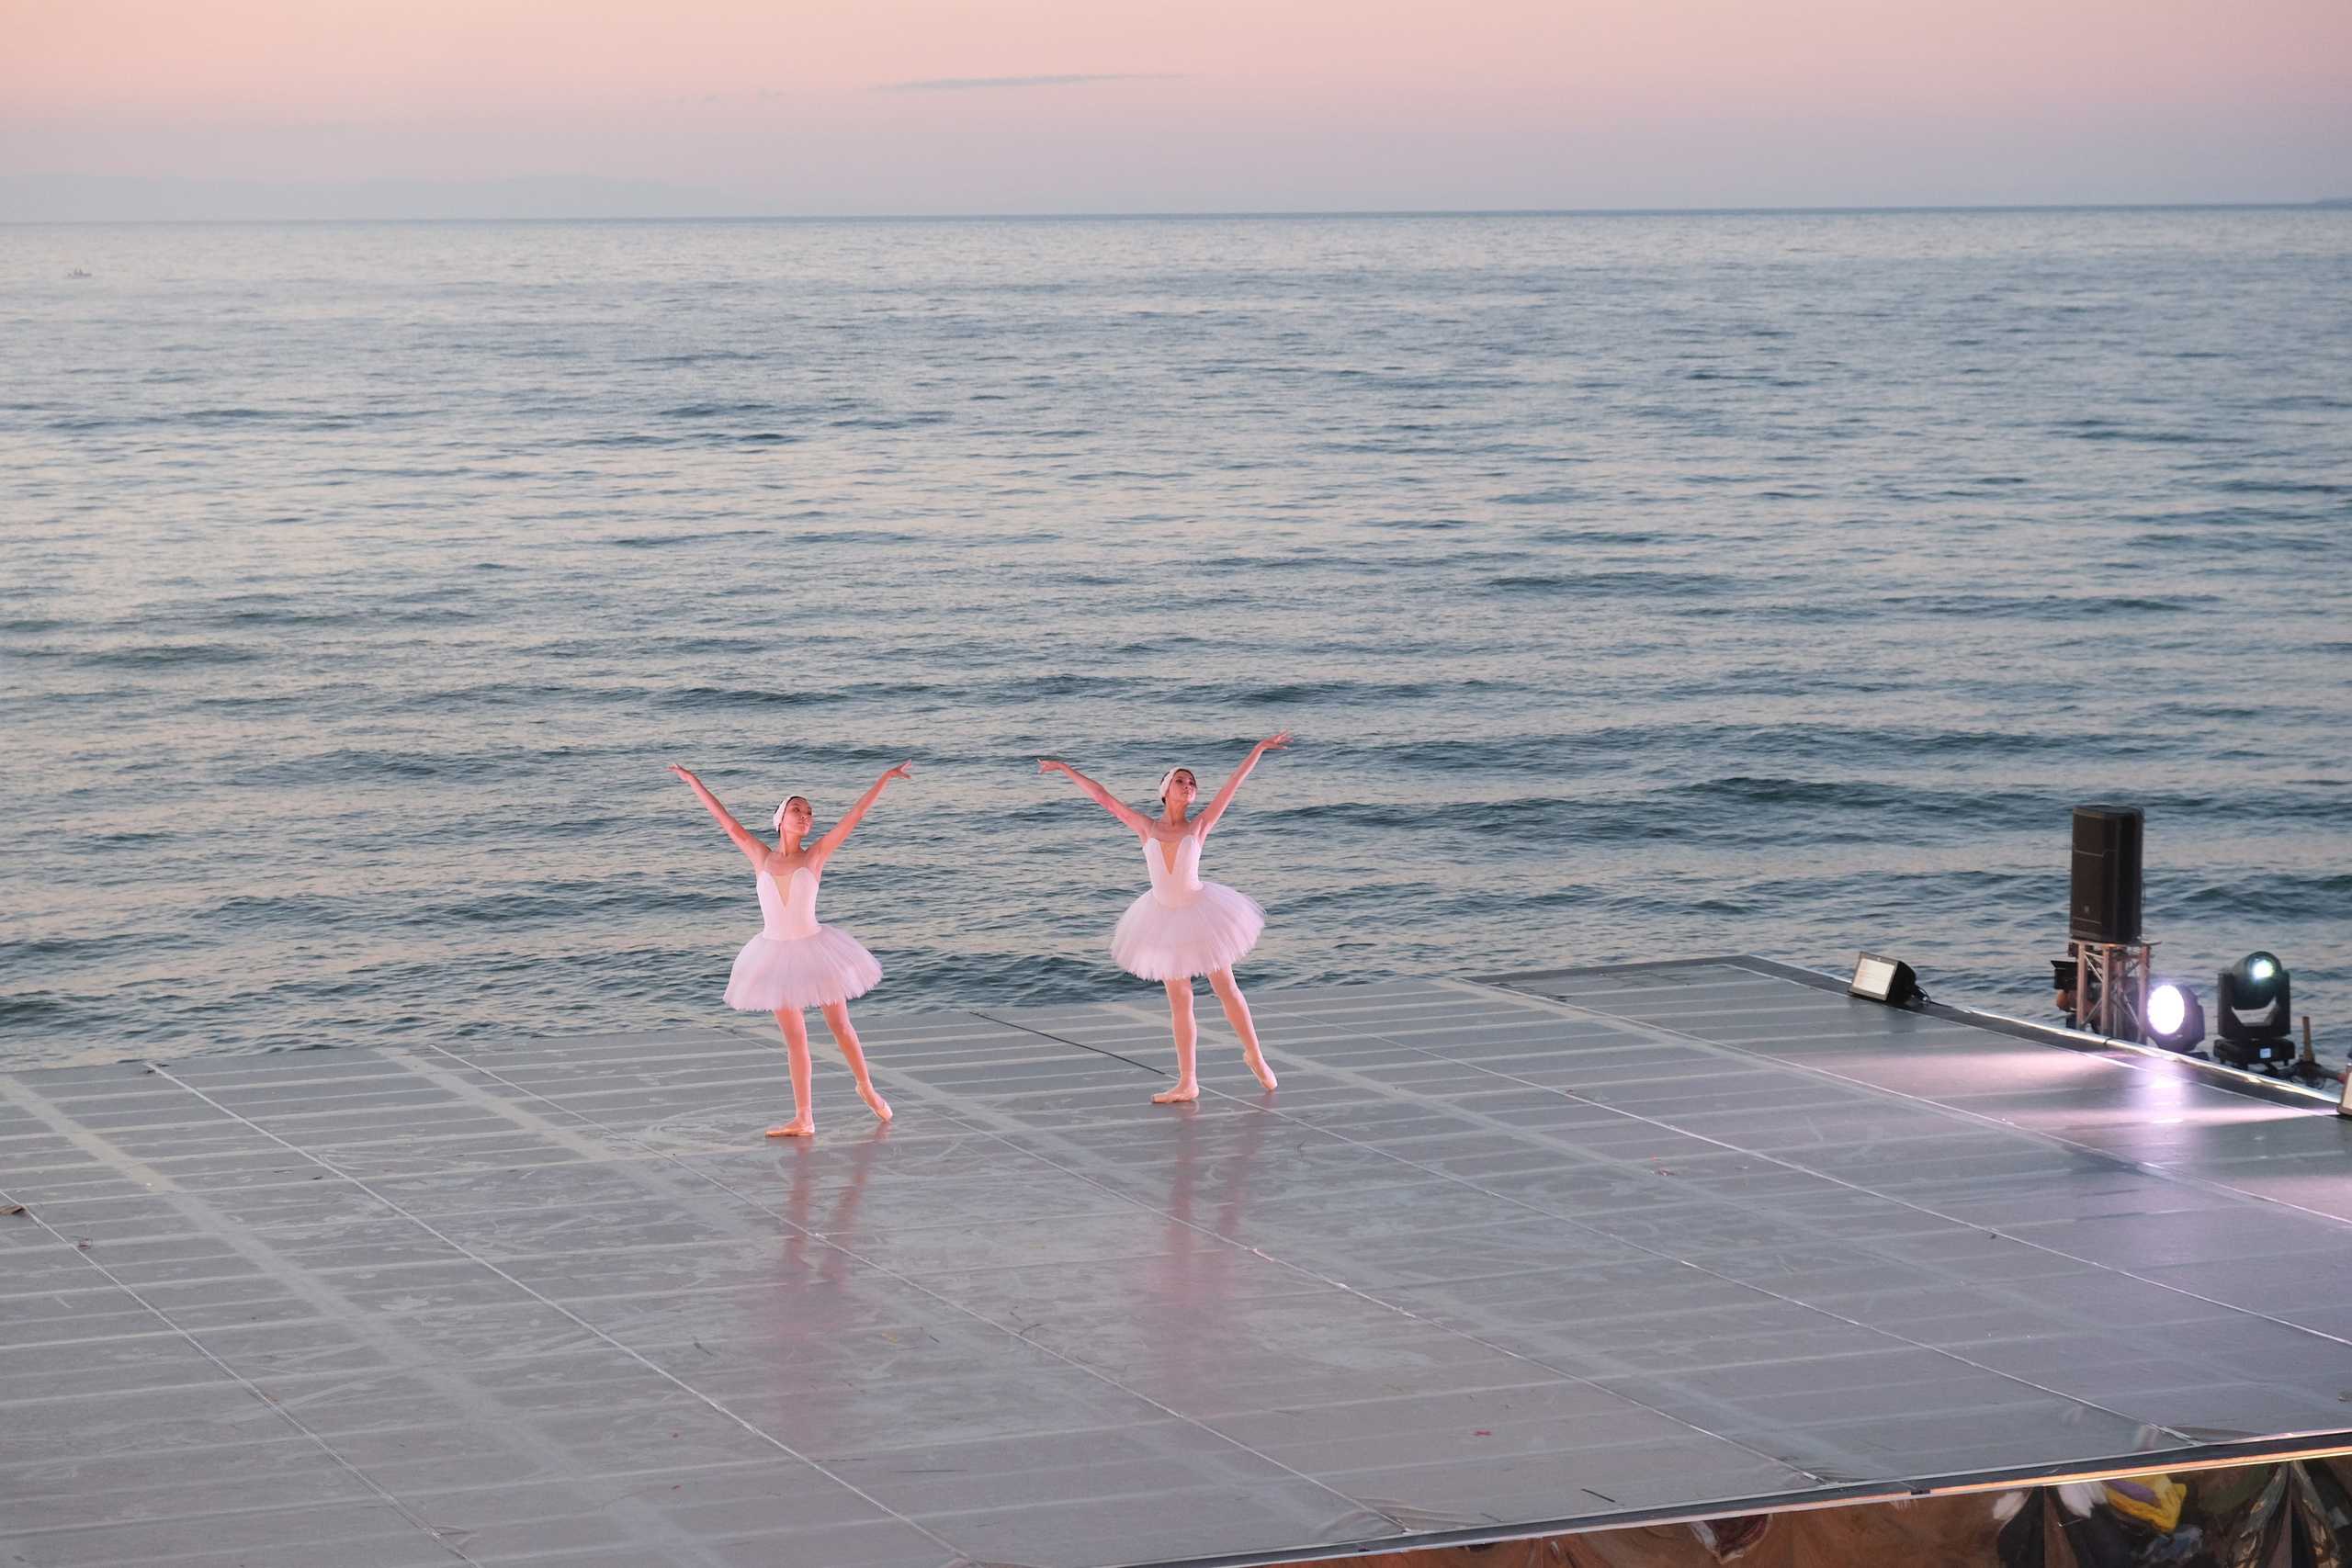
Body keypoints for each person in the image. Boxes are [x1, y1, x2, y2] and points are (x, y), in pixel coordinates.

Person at [1039, 734, 1290, 1102]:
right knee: (1180, 1000)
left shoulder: (1199, 826)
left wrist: (1257, 750)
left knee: (1226, 988)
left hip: (1202, 913)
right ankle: (1188, 1081)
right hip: (1163, 918)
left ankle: (1255, 1054)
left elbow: (1233, 784)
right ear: (1165, 790)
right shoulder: (1146, 827)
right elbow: (1102, 797)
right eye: (1181, 781)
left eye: (1192, 784)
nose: (1188, 786)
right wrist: (1063, 767)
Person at [669, 761, 910, 1136]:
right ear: (780, 818)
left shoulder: (815, 855)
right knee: (795, 1038)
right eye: (798, 810)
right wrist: (692, 780)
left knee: (840, 1026)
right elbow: (724, 819)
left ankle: (866, 1087)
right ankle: (804, 1118)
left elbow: (855, 816)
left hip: (817, 949)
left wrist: (884, 779)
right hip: (775, 953)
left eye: (810, 813)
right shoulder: (760, 856)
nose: (806, 817)